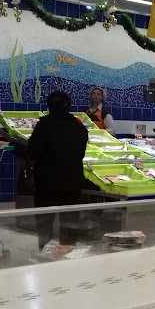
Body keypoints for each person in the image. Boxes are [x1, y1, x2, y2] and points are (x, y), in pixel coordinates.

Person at [28, 91, 88, 250]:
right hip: (72, 181)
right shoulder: (79, 126)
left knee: (44, 221)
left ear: (50, 106)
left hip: (47, 182)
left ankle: (44, 251)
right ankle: (67, 252)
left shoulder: (44, 124)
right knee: (70, 220)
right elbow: (81, 153)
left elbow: (33, 151)